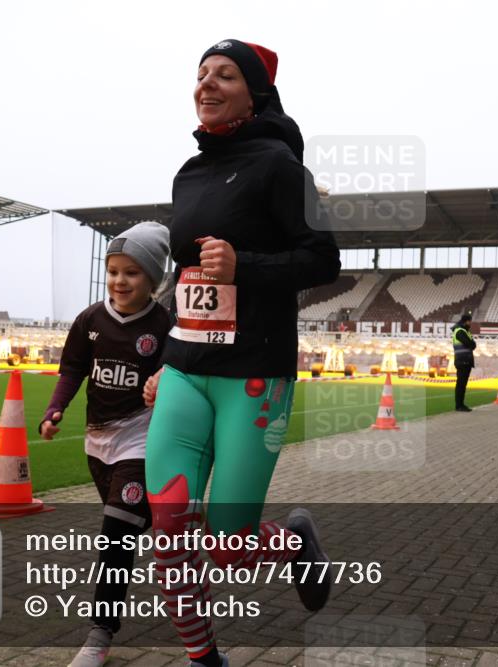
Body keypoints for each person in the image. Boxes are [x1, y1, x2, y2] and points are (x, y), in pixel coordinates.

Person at [142, 39, 340, 667]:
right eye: (200, 75)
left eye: (224, 75)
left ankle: (293, 542)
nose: (207, 84)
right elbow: (190, 279)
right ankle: (205, 660)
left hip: (254, 375)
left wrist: (244, 266)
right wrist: (165, 355)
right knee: (168, 531)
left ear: (254, 92)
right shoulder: (188, 172)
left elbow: (323, 260)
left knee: (228, 544)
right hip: (185, 371)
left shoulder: (282, 167)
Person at [39, 222, 172, 667]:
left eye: (132, 272)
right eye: (113, 270)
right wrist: (54, 410)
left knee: (116, 537)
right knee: (139, 528)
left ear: (153, 278)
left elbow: (179, 374)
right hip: (96, 445)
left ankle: (99, 634)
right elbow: (72, 370)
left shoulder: (165, 326)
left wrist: (163, 377)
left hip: (140, 442)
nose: (119, 280)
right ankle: (186, 538)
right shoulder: (89, 319)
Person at [451, 313, 476, 412]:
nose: (470, 324)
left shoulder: (464, 331)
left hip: (465, 361)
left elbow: (473, 345)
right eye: (470, 322)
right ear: (466, 321)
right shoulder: (460, 331)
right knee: (461, 384)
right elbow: (471, 344)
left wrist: (472, 344)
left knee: (462, 384)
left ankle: (460, 404)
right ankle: (459, 405)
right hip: (463, 361)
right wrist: (472, 344)